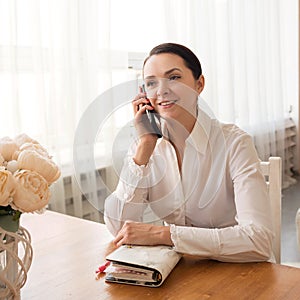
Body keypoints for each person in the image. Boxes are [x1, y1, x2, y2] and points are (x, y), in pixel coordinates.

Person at [104, 43, 274, 262]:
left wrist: (164, 234)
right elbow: (118, 227)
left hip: (236, 269)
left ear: (199, 84)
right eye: (151, 83)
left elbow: (258, 241)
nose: (162, 90)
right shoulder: (145, 147)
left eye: (173, 78)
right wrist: (145, 145)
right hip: (180, 271)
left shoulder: (235, 143)